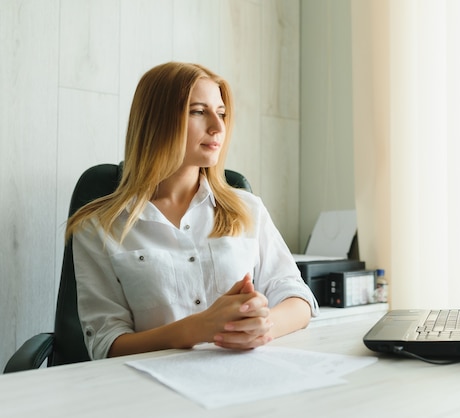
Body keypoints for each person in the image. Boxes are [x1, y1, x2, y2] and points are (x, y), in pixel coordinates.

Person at [66, 62, 319, 360]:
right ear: (157, 120)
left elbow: (298, 298)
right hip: (147, 393)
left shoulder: (248, 209)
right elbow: (107, 345)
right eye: (199, 111)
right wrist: (200, 328)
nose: (218, 127)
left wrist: (261, 327)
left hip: (244, 383)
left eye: (221, 113)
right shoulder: (97, 227)